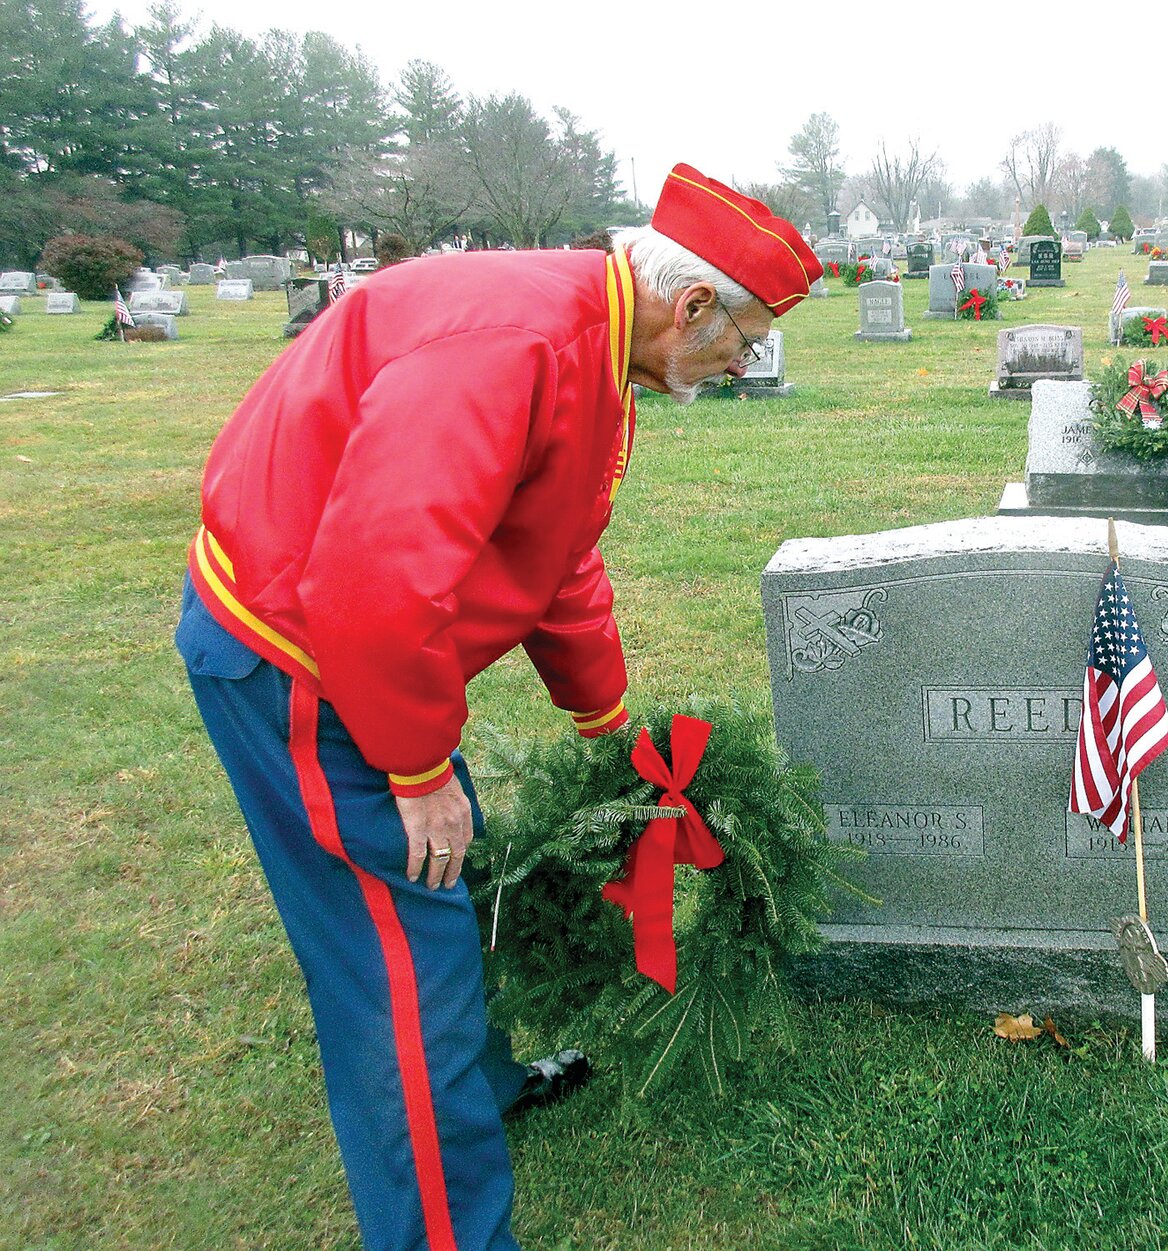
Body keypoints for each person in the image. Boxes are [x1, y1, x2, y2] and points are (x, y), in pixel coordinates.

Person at [174, 163, 820, 1251]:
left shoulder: (596, 342)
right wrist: (418, 773)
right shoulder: (519, 344)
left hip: (366, 654)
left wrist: (610, 729)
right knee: (397, 971)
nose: (742, 363)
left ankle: (484, 1086)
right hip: (304, 664)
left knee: (455, 884)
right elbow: (373, 582)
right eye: (742, 340)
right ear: (693, 303)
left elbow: (553, 555)